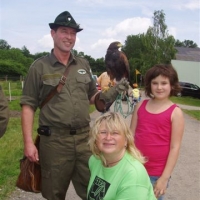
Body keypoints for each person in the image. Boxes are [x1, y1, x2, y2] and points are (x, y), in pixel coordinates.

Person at [20, 11, 129, 200]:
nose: (69, 37)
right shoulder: (39, 67)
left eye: (73, 33)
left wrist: (112, 92)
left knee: (96, 191)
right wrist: (29, 143)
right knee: (54, 193)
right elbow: (28, 106)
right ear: (53, 33)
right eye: (64, 31)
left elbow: (92, 97)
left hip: (85, 139)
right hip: (54, 143)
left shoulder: (83, 64)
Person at [130, 64, 184, 200]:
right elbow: (130, 136)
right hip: (134, 168)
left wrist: (164, 178)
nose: (159, 87)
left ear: (172, 85)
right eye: (155, 83)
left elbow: (175, 147)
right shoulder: (139, 106)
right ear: (149, 85)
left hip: (156, 174)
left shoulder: (175, 113)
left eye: (164, 83)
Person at [87, 112, 156, 200]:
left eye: (115, 133)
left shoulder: (133, 173)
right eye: (103, 132)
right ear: (95, 138)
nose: (108, 137)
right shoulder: (95, 160)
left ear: (126, 140)